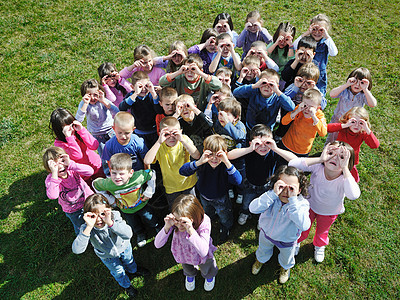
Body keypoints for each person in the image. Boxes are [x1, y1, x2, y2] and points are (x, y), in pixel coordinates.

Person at [288, 141, 361, 262]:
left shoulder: (345, 179)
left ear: (348, 163)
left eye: (342, 157)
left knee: (322, 231)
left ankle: (319, 245)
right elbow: (292, 163)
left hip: (329, 212)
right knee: (302, 227)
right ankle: (297, 242)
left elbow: (353, 195)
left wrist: (345, 169)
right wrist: (320, 159)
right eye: (331, 153)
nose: (335, 158)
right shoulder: (318, 167)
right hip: (308, 206)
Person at [72, 194, 150, 298]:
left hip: (124, 247)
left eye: (102, 214)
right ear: (87, 216)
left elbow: (128, 234)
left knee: (129, 260)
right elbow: (77, 250)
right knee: (118, 272)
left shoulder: (115, 216)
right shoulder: (86, 227)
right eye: (93, 216)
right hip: (107, 255)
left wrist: (110, 223)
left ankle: (133, 270)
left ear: (109, 210)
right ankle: (127, 285)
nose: (99, 219)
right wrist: (89, 227)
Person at [250, 165, 310, 284]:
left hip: (287, 240)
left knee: (286, 257)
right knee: (263, 249)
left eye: (291, 188)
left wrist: (293, 202)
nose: (286, 192)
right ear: (275, 185)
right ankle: (260, 260)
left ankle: (285, 268)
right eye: (281, 186)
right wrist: (272, 194)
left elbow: (304, 226)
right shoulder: (270, 196)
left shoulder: (301, 204)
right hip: (266, 234)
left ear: (299, 190)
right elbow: (253, 208)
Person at [227, 124, 298, 225]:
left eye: (267, 143)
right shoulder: (249, 152)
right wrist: (249, 149)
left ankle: (263, 217)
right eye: (258, 144)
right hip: (250, 184)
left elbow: (295, 160)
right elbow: (229, 156)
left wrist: (275, 148)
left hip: (267, 185)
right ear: (251, 143)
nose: (263, 147)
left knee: (266, 204)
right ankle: (245, 212)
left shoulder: (273, 152)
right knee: (247, 202)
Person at [179, 135, 242, 242]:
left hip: (221, 197)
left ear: (225, 154)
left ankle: (226, 226)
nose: (214, 158)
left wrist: (226, 162)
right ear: (204, 152)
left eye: (218, 155)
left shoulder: (225, 166)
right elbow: (182, 171)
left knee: (224, 215)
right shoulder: (202, 163)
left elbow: (238, 181)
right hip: (204, 196)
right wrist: (199, 162)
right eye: (210, 154)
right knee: (208, 212)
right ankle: (210, 220)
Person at [93, 153, 161, 247]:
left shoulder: (138, 177)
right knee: (133, 223)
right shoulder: (108, 183)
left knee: (149, 217)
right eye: (114, 173)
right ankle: (140, 233)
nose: (117, 177)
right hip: (126, 210)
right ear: (110, 171)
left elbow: (151, 173)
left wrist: (150, 190)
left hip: (142, 204)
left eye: (121, 174)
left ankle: (157, 226)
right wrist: (109, 199)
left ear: (130, 173)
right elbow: (95, 184)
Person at [154, 194, 218, 292]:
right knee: (187, 268)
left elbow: (203, 252)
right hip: (183, 253)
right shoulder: (174, 223)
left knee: (207, 267)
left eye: (183, 221)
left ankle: (209, 276)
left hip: (202, 255)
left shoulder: (204, 221)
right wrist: (166, 227)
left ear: (194, 217)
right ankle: (190, 275)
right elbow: (157, 244)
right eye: (176, 220)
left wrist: (191, 230)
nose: (179, 225)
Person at [143, 117, 200, 208]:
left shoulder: (184, 139)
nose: (171, 137)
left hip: (188, 183)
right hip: (171, 187)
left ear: (180, 132)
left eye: (175, 133)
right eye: (167, 134)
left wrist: (182, 140)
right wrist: (159, 141)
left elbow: (197, 156)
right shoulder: (159, 145)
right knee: (175, 209)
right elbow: (147, 161)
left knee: (192, 208)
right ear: (160, 134)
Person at [44, 147, 94, 235]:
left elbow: (90, 171)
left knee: (97, 219)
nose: (60, 166)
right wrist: (54, 174)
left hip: (90, 201)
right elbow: (53, 195)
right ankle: (85, 239)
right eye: (55, 165)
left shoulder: (72, 169)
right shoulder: (51, 180)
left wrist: (71, 164)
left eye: (62, 161)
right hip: (74, 210)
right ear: (49, 168)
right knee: (81, 226)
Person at [50, 108, 104, 185]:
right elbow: (77, 156)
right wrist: (69, 137)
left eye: (71, 125)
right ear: (59, 130)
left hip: (96, 165)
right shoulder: (59, 144)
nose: (71, 129)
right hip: (83, 173)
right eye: (66, 128)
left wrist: (82, 130)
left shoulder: (79, 132)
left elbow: (94, 145)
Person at [75, 79, 118, 175]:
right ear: (84, 95)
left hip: (110, 130)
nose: (93, 98)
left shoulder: (102, 101)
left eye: (95, 94)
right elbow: (78, 120)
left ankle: (121, 168)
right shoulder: (84, 104)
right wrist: (85, 104)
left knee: (116, 150)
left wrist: (103, 101)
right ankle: (108, 174)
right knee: (104, 155)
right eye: (89, 95)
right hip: (97, 134)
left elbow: (116, 111)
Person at [327, 107, 379, 182]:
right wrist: (345, 125)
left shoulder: (362, 133)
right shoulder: (344, 128)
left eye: (360, 123)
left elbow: (375, 145)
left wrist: (367, 130)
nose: (356, 125)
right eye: (353, 122)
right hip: (337, 155)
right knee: (333, 173)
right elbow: (327, 128)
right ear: (348, 120)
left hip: (350, 159)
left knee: (352, 178)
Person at [326, 67, 377, 143]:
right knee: (331, 140)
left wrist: (365, 89)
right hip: (338, 121)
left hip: (353, 125)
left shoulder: (363, 95)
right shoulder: (345, 91)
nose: (357, 85)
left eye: (361, 83)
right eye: (354, 81)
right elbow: (332, 94)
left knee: (347, 142)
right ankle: (327, 152)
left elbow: (373, 104)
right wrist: (347, 84)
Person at [293, 14, 338, 95]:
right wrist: (307, 32)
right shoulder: (307, 41)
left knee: (318, 96)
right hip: (305, 73)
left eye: (321, 30)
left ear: (326, 30)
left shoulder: (326, 42)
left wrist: (326, 36)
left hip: (319, 75)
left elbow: (334, 53)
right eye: (314, 29)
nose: (317, 32)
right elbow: (294, 46)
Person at [119, 71, 163, 148]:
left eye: (146, 86)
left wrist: (153, 93)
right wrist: (135, 94)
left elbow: (159, 110)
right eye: (140, 86)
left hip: (154, 131)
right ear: (133, 87)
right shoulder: (132, 96)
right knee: (142, 152)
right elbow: (122, 108)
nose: (143, 89)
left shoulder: (152, 95)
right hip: (139, 132)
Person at [279, 88, 327, 158]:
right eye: (305, 105)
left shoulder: (319, 116)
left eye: (311, 107)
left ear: (318, 108)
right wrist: (297, 111)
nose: (307, 109)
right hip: (287, 143)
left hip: (303, 150)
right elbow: (284, 121)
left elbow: (323, 133)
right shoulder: (299, 109)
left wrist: (313, 116)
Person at [267, 22, 296, 87]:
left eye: (286, 39)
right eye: (281, 38)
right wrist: (276, 43)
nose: (282, 42)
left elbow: (291, 59)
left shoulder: (291, 48)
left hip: (283, 77)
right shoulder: (273, 45)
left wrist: (290, 45)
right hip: (271, 74)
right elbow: (266, 53)